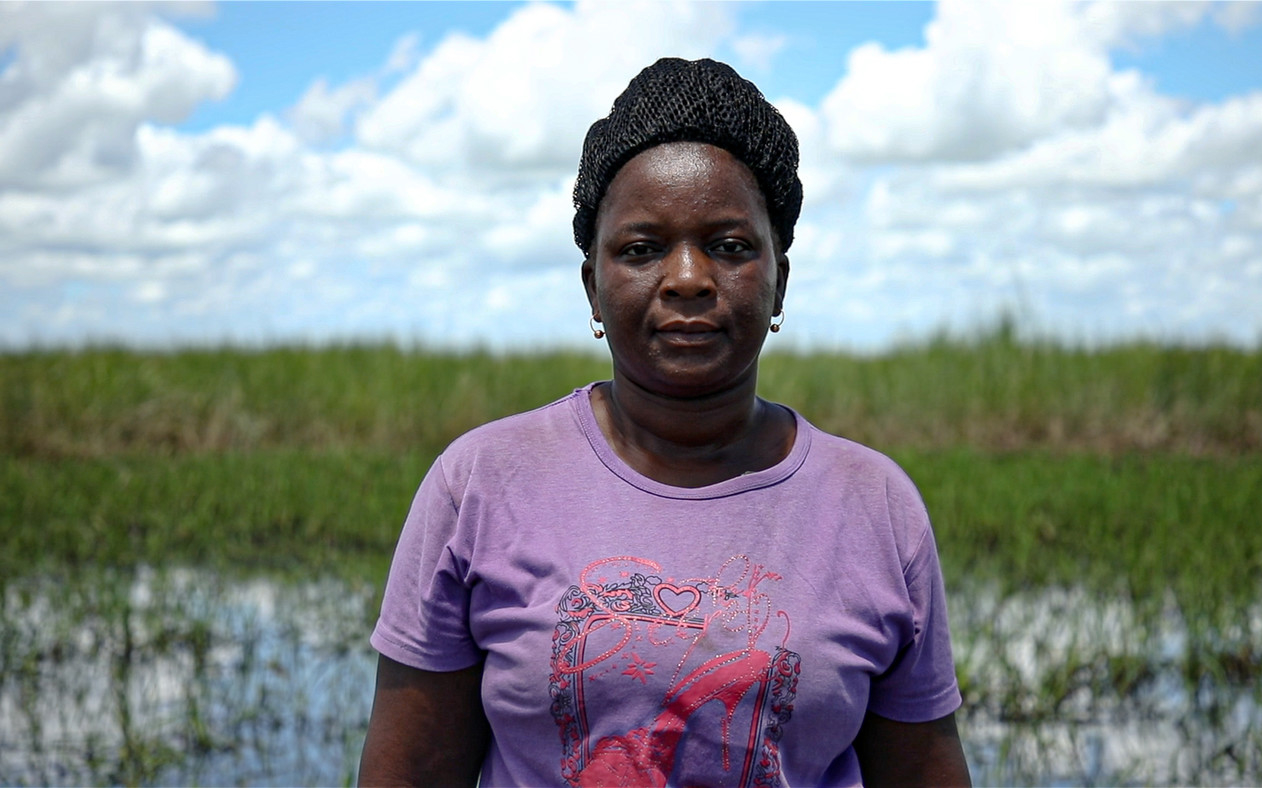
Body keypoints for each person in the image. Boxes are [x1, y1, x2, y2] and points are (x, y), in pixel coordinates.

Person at [358, 57, 970, 787]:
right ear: (593, 284)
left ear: (780, 279)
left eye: (730, 245)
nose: (687, 278)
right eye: (643, 249)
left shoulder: (875, 505)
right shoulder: (481, 484)